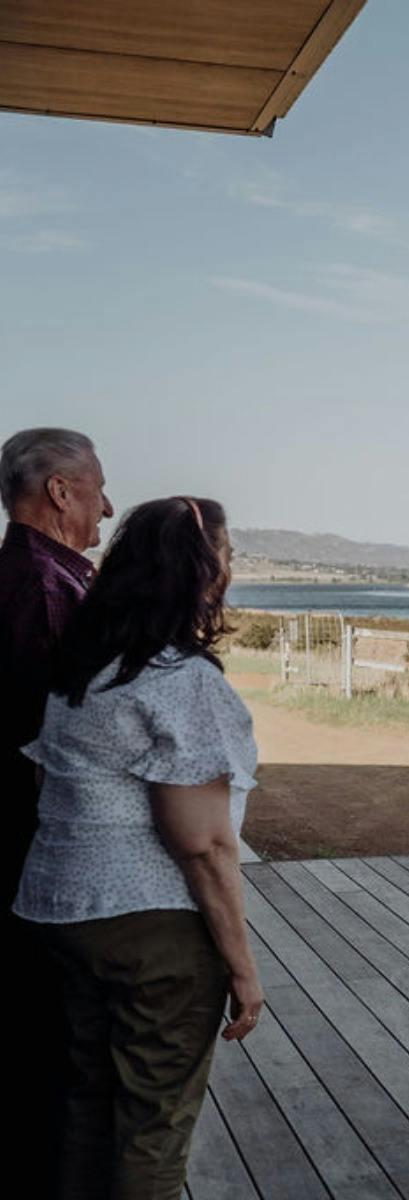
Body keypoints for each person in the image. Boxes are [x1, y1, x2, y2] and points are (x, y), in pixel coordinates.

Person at [14, 496, 263, 1200]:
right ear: (201, 571)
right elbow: (204, 845)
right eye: (228, 556)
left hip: (60, 910)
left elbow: (46, 780)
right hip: (150, 927)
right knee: (153, 1127)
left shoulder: (83, 673)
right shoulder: (181, 681)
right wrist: (243, 968)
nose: (231, 571)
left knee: (89, 1106)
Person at [0, 426, 113, 1196]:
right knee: (48, 1050)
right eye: (97, 487)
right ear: (60, 492)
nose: (108, 505)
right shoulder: (44, 587)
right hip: (35, 863)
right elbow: (42, 743)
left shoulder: (44, 575)